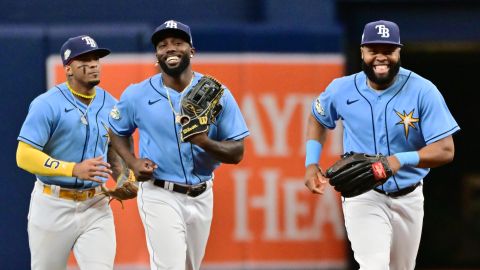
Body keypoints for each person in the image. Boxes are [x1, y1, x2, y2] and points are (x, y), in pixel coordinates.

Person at [304, 20, 460, 269]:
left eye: (388, 51)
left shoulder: (423, 91)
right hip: (364, 194)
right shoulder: (341, 89)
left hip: (409, 195)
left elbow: (445, 149)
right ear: (362, 52)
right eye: (373, 50)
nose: (381, 57)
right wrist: (311, 162)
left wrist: (400, 160)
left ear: (399, 52)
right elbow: (317, 117)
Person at [108, 19, 249, 270]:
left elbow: (237, 152)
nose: (170, 48)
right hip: (159, 191)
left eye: (178, 42)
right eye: (163, 45)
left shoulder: (217, 93)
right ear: (157, 55)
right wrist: (132, 163)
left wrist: (203, 141)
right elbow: (116, 131)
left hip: (202, 193)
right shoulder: (137, 94)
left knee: (189, 267)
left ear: (191, 51)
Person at [16, 35, 123, 270]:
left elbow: (114, 151)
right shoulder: (46, 104)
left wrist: (127, 179)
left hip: (96, 204)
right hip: (53, 204)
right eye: (84, 59)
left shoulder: (111, 104)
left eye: (96, 58)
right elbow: (23, 155)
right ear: (68, 69)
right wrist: (73, 169)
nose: (94, 63)